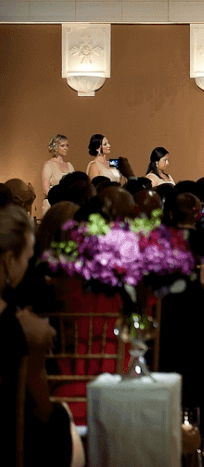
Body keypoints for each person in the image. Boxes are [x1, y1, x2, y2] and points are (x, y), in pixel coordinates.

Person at [1, 204, 80, 467]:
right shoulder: (20, 325)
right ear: (9, 260)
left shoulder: (16, 311)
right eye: (25, 258)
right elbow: (41, 405)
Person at [41, 134, 75, 217]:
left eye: (67, 145)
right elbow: (46, 190)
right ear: (55, 147)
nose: (66, 148)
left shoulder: (69, 165)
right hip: (53, 205)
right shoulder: (48, 165)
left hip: (68, 206)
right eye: (63, 145)